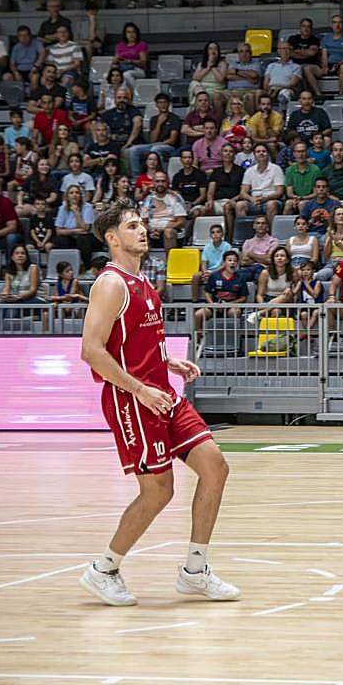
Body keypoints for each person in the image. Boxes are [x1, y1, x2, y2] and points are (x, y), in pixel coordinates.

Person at [78, 204, 238, 605]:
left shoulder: (143, 281)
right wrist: (140, 389)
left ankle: (195, 571)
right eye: (132, 226)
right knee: (158, 491)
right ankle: (104, 568)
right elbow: (92, 351)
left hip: (161, 391)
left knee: (215, 466)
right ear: (112, 238)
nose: (143, 230)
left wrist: (168, 361)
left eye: (142, 224)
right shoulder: (111, 284)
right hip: (132, 398)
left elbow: (135, 340)